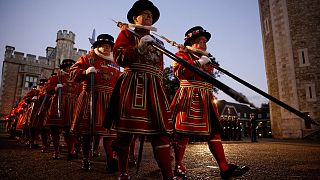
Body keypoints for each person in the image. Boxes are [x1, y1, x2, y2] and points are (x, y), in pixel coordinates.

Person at [104, 0, 175, 179]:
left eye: (151, 15)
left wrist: (161, 86)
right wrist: (139, 48)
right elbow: (119, 58)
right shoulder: (127, 34)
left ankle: (169, 175)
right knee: (126, 132)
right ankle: (123, 172)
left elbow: (160, 67)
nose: (149, 17)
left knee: (161, 133)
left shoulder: (159, 42)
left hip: (155, 87)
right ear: (135, 17)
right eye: (145, 14)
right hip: (133, 84)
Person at [170, 26, 250, 179]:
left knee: (214, 133)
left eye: (205, 42)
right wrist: (199, 63)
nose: (204, 44)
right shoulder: (181, 54)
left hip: (206, 97)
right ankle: (178, 165)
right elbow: (180, 73)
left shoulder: (207, 59)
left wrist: (204, 62)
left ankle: (224, 167)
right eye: (200, 41)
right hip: (189, 95)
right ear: (191, 42)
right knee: (183, 133)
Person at [70, 33, 120, 173]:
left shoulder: (115, 63)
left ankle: (110, 160)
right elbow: (73, 72)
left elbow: (117, 83)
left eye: (109, 46)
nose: (106, 48)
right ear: (97, 46)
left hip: (109, 100)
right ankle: (86, 159)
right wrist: (85, 72)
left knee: (109, 134)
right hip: (92, 96)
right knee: (87, 132)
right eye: (103, 45)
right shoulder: (87, 58)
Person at [43, 59, 82, 160]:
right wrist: (55, 88)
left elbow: (82, 91)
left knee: (70, 130)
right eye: (67, 67)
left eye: (71, 67)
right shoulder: (56, 77)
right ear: (63, 68)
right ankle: (56, 151)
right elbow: (47, 89)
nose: (69, 69)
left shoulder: (77, 79)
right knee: (55, 128)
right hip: (59, 103)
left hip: (73, 105)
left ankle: (71, 150)